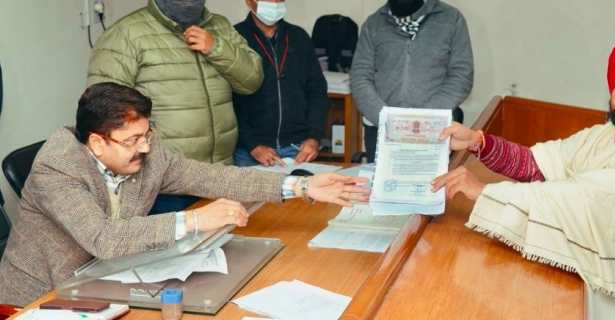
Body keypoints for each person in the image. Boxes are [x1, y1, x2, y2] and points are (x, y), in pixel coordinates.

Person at [0, 83, 368, 306]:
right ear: (97, 142)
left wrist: (298, 186)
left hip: (107, 281)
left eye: (147, 135)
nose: (145, 147)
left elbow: (209, 177)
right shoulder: (58, 168)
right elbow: (104, 238)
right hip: (42, 297)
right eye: (133, 140)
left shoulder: (145, 151)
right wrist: (194, 219)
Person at [433, 39, 615, 319]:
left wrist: (483, 192)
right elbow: (539, 164)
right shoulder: (605, 134)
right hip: (587, 285)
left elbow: (581, 200)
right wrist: (478, 142)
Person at [87, 0, 263, 213]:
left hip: (219, 174)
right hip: (164, 184)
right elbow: (103, 111)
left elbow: (252, 81)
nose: (187, 1)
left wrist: (216, 48)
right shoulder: (127, 34)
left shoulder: (220, 26)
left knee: (224, 250)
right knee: (172, 252)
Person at [350, 0, 474, 162]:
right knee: (382, 195)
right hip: (382, 130)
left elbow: (461, 75)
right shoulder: (374, 24)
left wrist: (423, 120)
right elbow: (360, 77)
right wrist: (387, 119)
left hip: (435, 130)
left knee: (432, 192)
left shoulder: (451, 20)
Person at [232, 0, 328, 166]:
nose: (273, 3)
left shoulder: (298, 37)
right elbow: (227, 101)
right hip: (251, 151)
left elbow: (317, 90)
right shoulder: (235, 38)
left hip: (297, 149)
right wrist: (252, 145)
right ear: (249, 1)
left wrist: (314, 137)